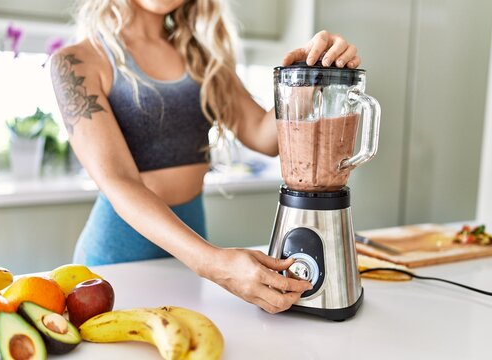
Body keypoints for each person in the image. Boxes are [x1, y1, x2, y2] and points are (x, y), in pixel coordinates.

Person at [51, 0, 361, 314]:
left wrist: (312, 71)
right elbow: (118, 179)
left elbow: (262, 134)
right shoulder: (76, 63)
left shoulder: (202, 59)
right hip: (116, 261)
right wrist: (212, 263)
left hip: (192, 251)